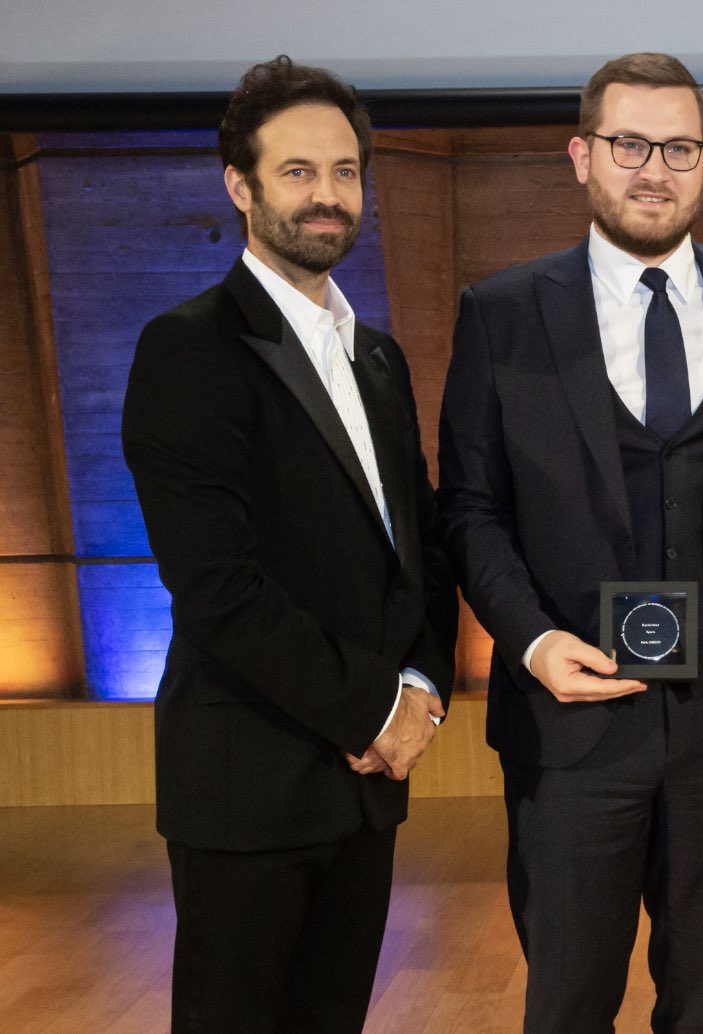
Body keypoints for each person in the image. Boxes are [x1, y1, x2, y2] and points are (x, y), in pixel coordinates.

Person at [437, 52, 703, 1032]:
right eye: (629, 143)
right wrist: (528, 640)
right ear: (580, 156)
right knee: (567, 998)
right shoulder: (501, 311)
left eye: (678, 146)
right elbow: (469, 507)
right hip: (569, 719)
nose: (654, 168)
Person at [120, 56, 456, 1032]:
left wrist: (423, 688)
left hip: (367, 789)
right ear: (242, 185)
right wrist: (371, 709)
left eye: (345, 171)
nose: (327, 194)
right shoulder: (187, 347)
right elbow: (218, 588)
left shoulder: (379, 356)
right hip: (248, 787)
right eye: (298, 171)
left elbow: (415, 545)